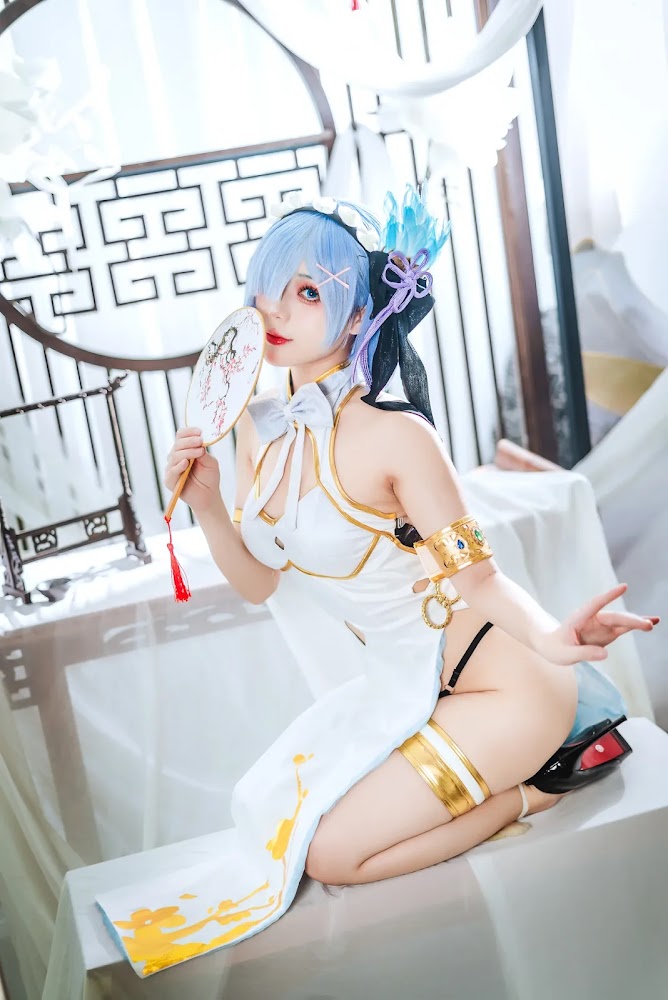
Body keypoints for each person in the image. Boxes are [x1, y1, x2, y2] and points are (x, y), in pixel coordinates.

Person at [98, 188, 659, 978]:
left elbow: (482, 580)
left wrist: (555, 638)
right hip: (407, 687)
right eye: (267, 287)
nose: (275, 309)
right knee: (267, 814)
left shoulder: (399, 437)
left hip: (506, 689)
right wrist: (209, 507)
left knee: (332, 854)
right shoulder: (257, 427)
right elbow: (260, 586)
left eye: (307, 292)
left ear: (361, 313)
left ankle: (542, 784)